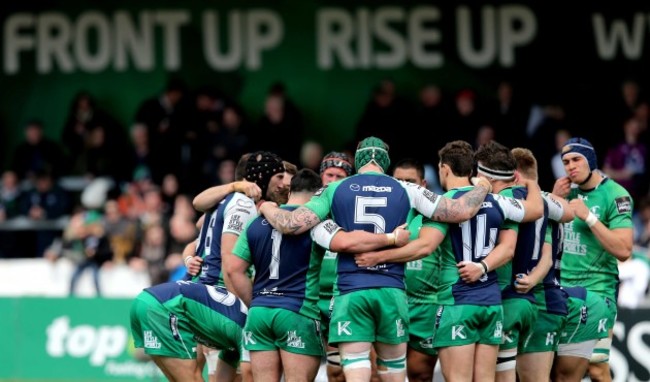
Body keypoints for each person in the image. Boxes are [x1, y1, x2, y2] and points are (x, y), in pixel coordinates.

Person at [258, 136, 495, 382]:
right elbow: (460, 211)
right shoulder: (407, 188)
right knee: (393, 371)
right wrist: (484, 186)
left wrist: (266, 207)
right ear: (385, 161)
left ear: (358, 159)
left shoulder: (333, 189)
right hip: (391, 292)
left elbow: (291, 224)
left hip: (352, 292)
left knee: (356, 370)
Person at [353, 140, 542, 382]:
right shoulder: (500, 202)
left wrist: (378, 256)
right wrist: (531, 181)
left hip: (457, 301)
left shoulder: (443, 205)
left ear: (444, 168)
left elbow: (425, 246)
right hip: (491, 302)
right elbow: (520, 232)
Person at [228, 168, 410, 382]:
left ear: (290, 192)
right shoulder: (317, 223)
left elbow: (233, 269)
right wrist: (391, 238)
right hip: (297, 312)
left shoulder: (255, 223)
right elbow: (348, 242)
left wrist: (257, 302)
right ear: (318, 196)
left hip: (259, 313)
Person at [552, 137, 634, 382]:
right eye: (565, 161)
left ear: (591, 161)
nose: (570, 167)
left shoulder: (616, 195)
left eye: (576, 159)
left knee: (597, 368)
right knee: (555, 369)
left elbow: (624, 250)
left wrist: (589, 218)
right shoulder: (564, 192)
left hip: (598, 292)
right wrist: (553, 200)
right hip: (561, 290)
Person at [508, 148, 574, 382]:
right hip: (540, 297)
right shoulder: (548, 201)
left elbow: (545, 255)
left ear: (514, 175)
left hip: (542, 299)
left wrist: (532, 280)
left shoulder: (535, 205)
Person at [129, 280, 247, 382]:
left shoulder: (233, 345)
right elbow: (251, 374)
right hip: (164, 306)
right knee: (192, 377)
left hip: (143, 300)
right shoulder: (249, 335)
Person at [390, 158, 437, 382]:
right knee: (382, 374)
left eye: (411, 181)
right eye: (399, 181)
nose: (405, 186)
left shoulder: (436, 213)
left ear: (424, 184)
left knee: (420, 373)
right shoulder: (380, 214)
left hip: (425, 306)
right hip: (389, 302)